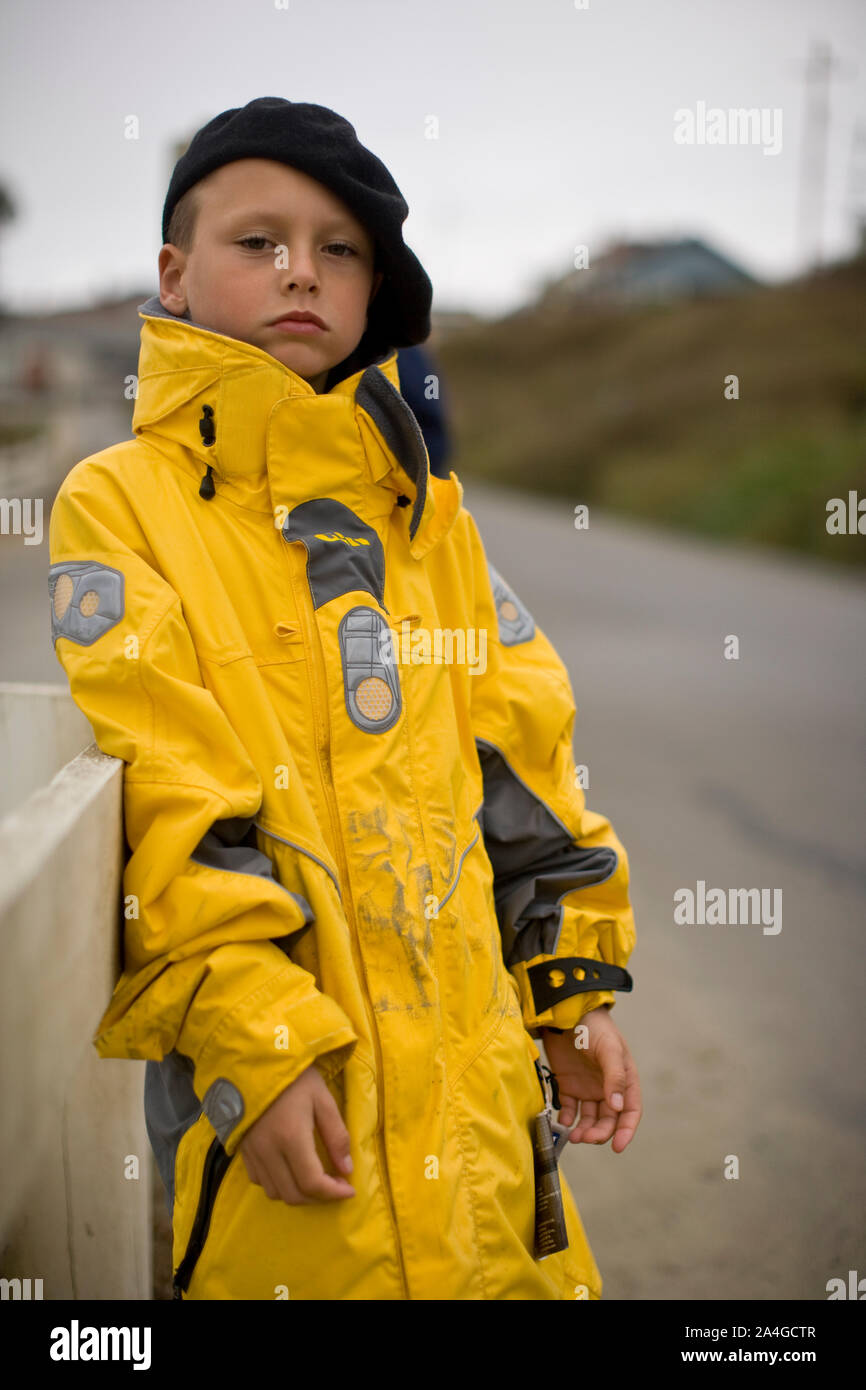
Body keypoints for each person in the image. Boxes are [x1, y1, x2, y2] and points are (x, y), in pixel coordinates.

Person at [47, 96, 641, 1301]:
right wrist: (257, 1042)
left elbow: (524, 759)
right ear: (173, 272)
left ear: (375, 289)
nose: (299, 273)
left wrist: (568, 982)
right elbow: (167, 789)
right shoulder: (120, 505)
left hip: (474, 1095)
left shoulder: (433, 522)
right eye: (256, 242)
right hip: (279, 1101)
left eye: (339, 250)